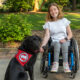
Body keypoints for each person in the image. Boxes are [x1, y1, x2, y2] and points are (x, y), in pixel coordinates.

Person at [40, 3, 72, 73]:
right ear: (49, 13)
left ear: (58, 10)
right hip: (54, 41)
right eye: (51, 10)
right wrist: (43, 45)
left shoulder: (64, 20)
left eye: (55, 9)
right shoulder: (48, 23)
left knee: (64, 44)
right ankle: (55, 64)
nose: (53, 12)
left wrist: (65, 39)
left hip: (65, 40)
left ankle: (65, 64)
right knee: (57, 43)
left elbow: (70, 34)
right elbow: (47, 35)